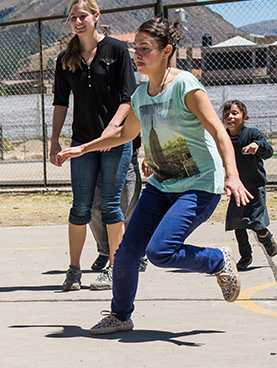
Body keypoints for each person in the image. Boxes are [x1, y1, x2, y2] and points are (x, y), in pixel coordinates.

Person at [57, 17, 252, 335]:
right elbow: (124, 134)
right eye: (135, 48)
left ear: (166, 51)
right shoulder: (140, 95)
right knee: (126, 253)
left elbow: (218, 131)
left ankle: (217, 259)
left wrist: (232, 174)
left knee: (160, 251)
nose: (137, 54)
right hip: (162, 186)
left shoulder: (185, 86)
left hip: (199, 186)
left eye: (145, 49)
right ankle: (120, 315)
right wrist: (83, 149)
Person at [49, 0, 137, 292]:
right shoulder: (65, 58)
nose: (77, 21)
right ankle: (73, 270)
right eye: (73, 17)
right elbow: (61, 103)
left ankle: (115, 268)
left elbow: (128, 98)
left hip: (115, 141)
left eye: (82, 15)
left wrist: (114, 129)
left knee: (112, 205)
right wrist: (54, 141)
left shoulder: (116, 50)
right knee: (80, 207)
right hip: (81, 141)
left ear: (96, 17)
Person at [220, 100, 277, 270]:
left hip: (255, 186)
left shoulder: (251, 134)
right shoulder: (224, 138)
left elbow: (268, 150)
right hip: (237, 188)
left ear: (245, 118)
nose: (230, 116)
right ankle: (245, 257)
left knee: (256, 224)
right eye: (226, 115)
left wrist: (257, 145)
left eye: (235, 113)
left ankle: (266, 238)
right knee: (238, 223)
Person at [88, 139, 145, 272]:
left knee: (129, 208)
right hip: (96, 155)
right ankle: (106, 251)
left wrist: (148, 156)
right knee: (94, 209)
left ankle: (136, 252)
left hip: (126, 155)